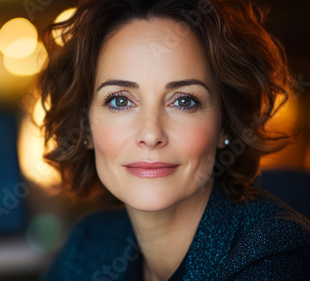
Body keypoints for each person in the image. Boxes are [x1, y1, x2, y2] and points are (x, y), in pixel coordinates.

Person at [35, 0, 310, 280]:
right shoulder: (89, 244)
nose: (151, 134)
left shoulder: (274, 253)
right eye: (120, 101)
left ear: (226, 125)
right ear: (85, 127)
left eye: (183, 101)